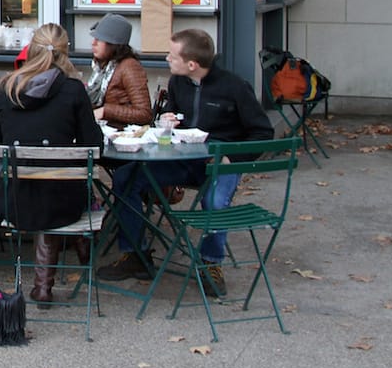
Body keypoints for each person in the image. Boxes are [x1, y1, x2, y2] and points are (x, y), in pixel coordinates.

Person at [97, 28, 274, 298]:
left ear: (192, 64)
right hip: (181, 158)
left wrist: (234, 157)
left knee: (215, 201)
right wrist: (167, 119)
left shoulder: (235, 87)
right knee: (125, 177)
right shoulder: (178, 83)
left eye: (172, 55)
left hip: (219, 161)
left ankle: (211, 263)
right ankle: (135, 254)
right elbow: (174, 114)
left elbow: (263, 133)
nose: (167, 58)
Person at [0, 23, 103, 307]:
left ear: (31, 49)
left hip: (13, 200)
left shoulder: (4, 88)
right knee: (67, 187)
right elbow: (93, 145)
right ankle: (50, 280)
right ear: (66, 52)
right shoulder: (74, 90)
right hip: (62, 202)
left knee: (47, 187)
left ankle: (44, 285)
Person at [86, 13, 152, 126]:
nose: (93, 43)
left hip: (124, 132)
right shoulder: (102, 67)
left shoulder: (130, 67)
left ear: (113, 44)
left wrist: (106, 111)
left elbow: (144, 114)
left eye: (99, 39)